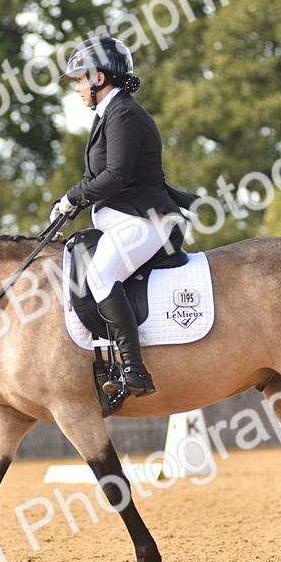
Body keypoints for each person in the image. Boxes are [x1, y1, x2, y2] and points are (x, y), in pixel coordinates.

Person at [50, 36, 195, 398]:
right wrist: (67, 205)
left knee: (100, 275)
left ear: (100, 78)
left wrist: (74, 197)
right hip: (122, 219)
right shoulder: (109, 115)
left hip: (145, 220)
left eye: (81, 80)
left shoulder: (124, 113)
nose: (78, 88)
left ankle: (135, 369)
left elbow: (114, 176)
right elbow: (94, 177)